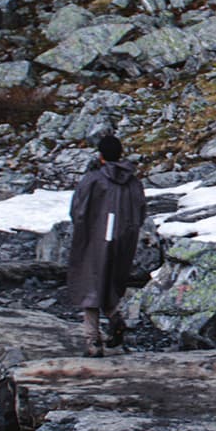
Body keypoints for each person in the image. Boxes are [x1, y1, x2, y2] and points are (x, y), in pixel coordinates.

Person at [66, 134, 147, 357]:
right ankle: (115, 318)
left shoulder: (93, 179)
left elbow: (78, 211)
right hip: (124, 240)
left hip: (95, 237)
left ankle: (93, 341)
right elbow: (140, 212)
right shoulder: (133, 181)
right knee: (111, 281)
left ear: (101, 155)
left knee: (90, 284)